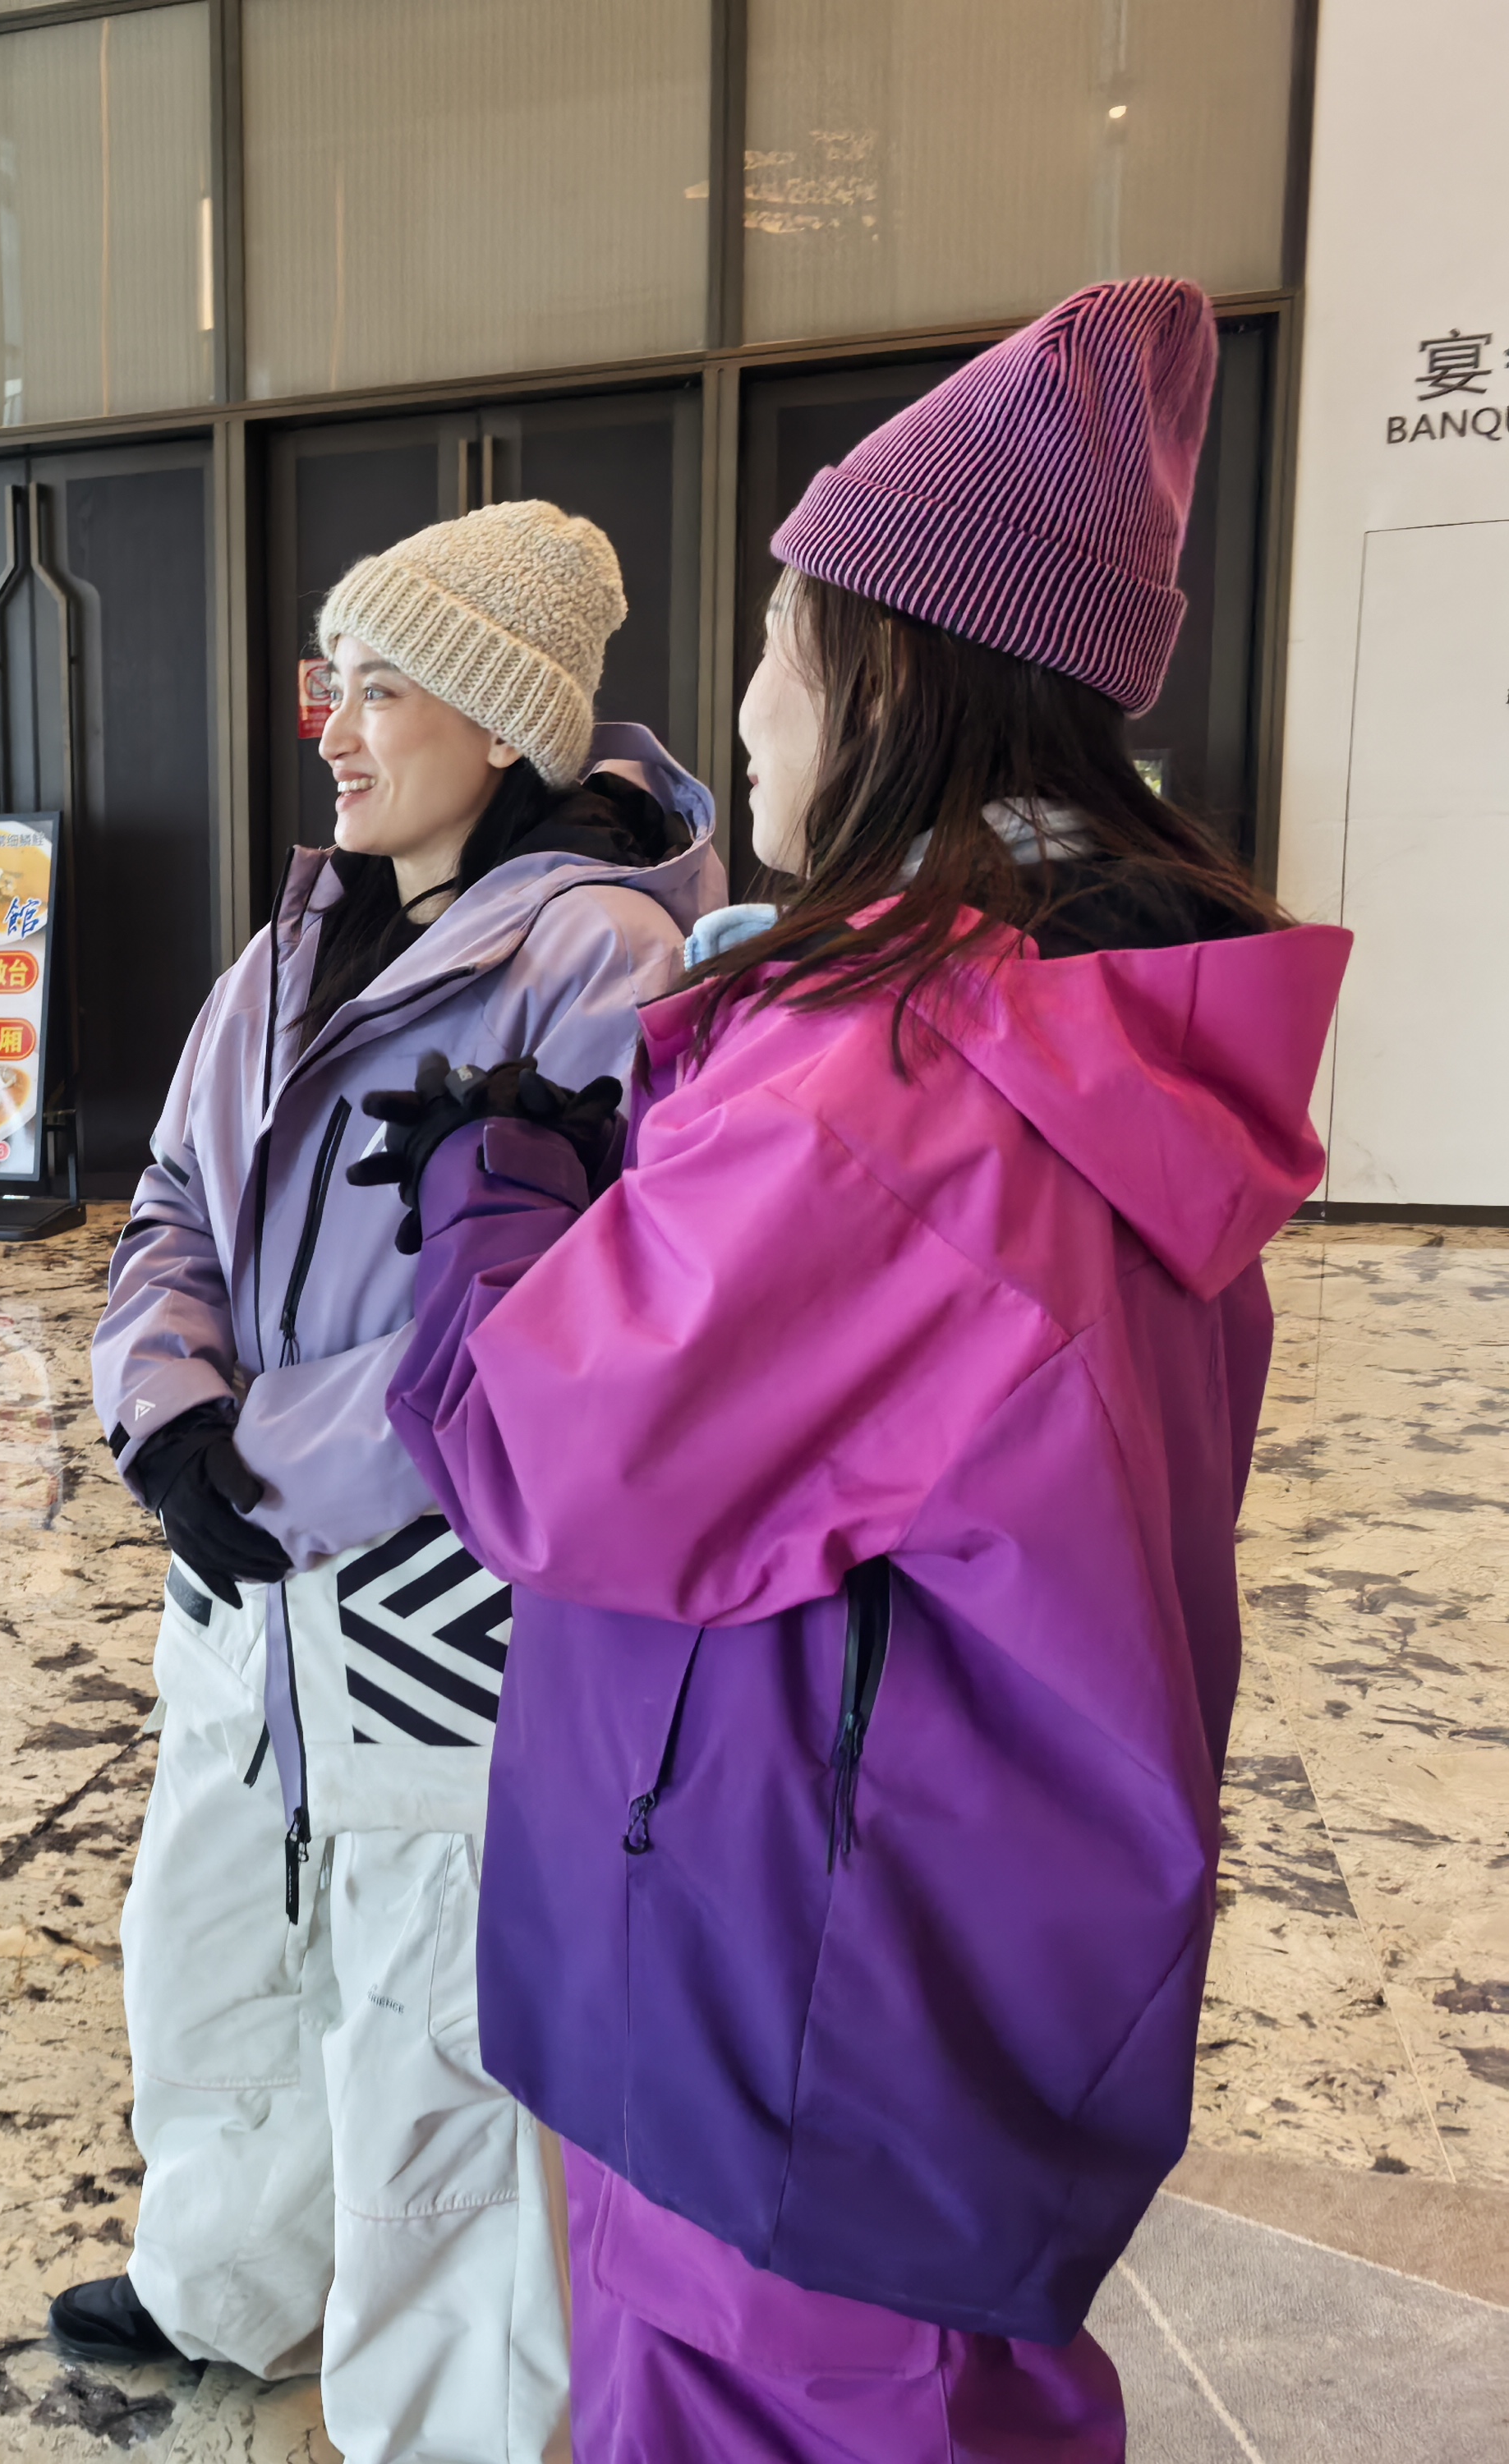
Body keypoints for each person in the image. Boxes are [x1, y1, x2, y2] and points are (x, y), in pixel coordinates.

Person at [360, 279, 1350, 2460]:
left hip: (784, 2001)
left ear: (891, 672)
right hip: (949, 1964)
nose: (742, 709)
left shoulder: (899, 1091)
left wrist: (495, 1192)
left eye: (776, 643)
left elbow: (545, 1449)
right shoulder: (1101, 1022)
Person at [73, 500, 723, 2463]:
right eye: (330, 688)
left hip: (432, 1604)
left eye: (381, 691)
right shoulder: (293, 942)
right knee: (213, 1949)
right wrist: (162, 1407)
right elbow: (171, 1201)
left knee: (427, 2034)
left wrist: (255, 1458)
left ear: (504, 723)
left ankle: (451, 2426)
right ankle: (228, 2286)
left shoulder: (599, 955)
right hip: (241, 1590)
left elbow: (561, 1323)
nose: (335, 733)